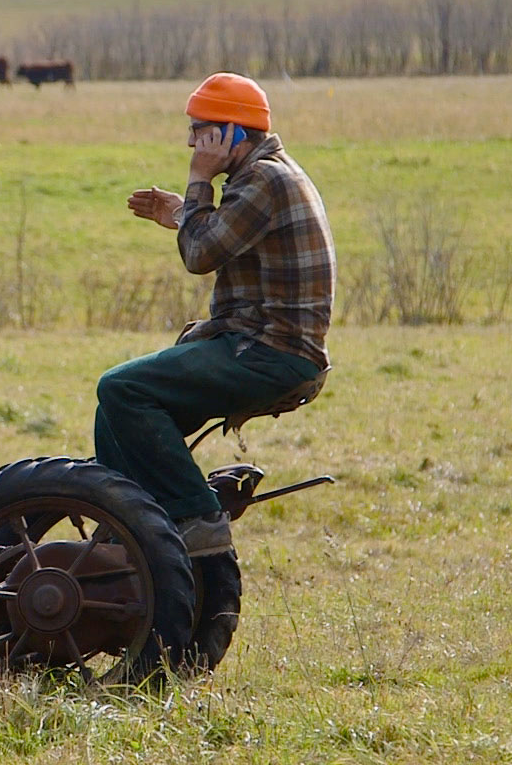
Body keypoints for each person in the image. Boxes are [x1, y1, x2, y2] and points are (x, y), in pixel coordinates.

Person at [95, 72, 336, 557]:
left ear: (231, 132)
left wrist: (199, 181)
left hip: (269, 353)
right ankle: (128, 531)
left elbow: (201, 255)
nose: (190, 142)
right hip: (265, 346)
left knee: (121, 387)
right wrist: (185, 212)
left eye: (199, 130)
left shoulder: (265, 178)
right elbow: (224, 234)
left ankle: (195, 517)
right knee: (115, 416)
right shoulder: (266, 175)